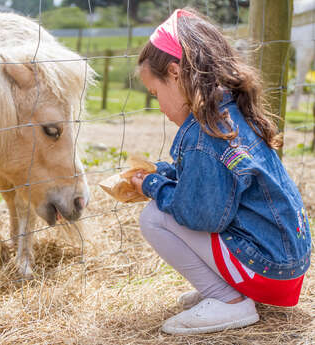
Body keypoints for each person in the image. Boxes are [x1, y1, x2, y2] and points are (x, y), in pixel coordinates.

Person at [130, 8, 312, 335]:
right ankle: (227, 287)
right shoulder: (233, 114)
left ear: (174, 73)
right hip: (288, 265)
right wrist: (166, 173)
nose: (158, 106)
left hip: (268, 272)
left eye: (156, 94)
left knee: (153, 217)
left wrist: (153, 185)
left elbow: (200, 215)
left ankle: (227, 300)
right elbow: (215, 186)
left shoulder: (204, 135)